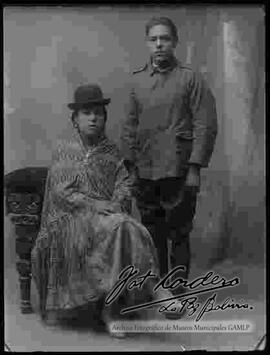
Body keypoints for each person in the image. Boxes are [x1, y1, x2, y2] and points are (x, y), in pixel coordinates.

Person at [31, 83, 181, 338]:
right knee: (121, 227)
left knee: (126, 227)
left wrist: (115, 203)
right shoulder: (64, 150)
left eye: (98, 113)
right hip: (69, 221)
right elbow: (61, 193)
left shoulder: (111, 152)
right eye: (86, 113)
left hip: (108, 218)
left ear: (104, 118)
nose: (93, 118)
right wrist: (97, 206)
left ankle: (115, 308)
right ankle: (149, 291)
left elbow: (124, 183)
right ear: (75, 119)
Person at [120, 17, 218, 316]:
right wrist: (131, 167)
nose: (159, 44)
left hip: (178, 169)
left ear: (175, 42)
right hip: (145, 171)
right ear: (147, 43)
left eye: (165, 38)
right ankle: (161, 290)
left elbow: (206, 125)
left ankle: (178, 290)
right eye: (153, 39)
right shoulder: (136, 81)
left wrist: (195, 167)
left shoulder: (190, 79)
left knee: (179, 232)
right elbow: (128, 128)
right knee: (152, 234)